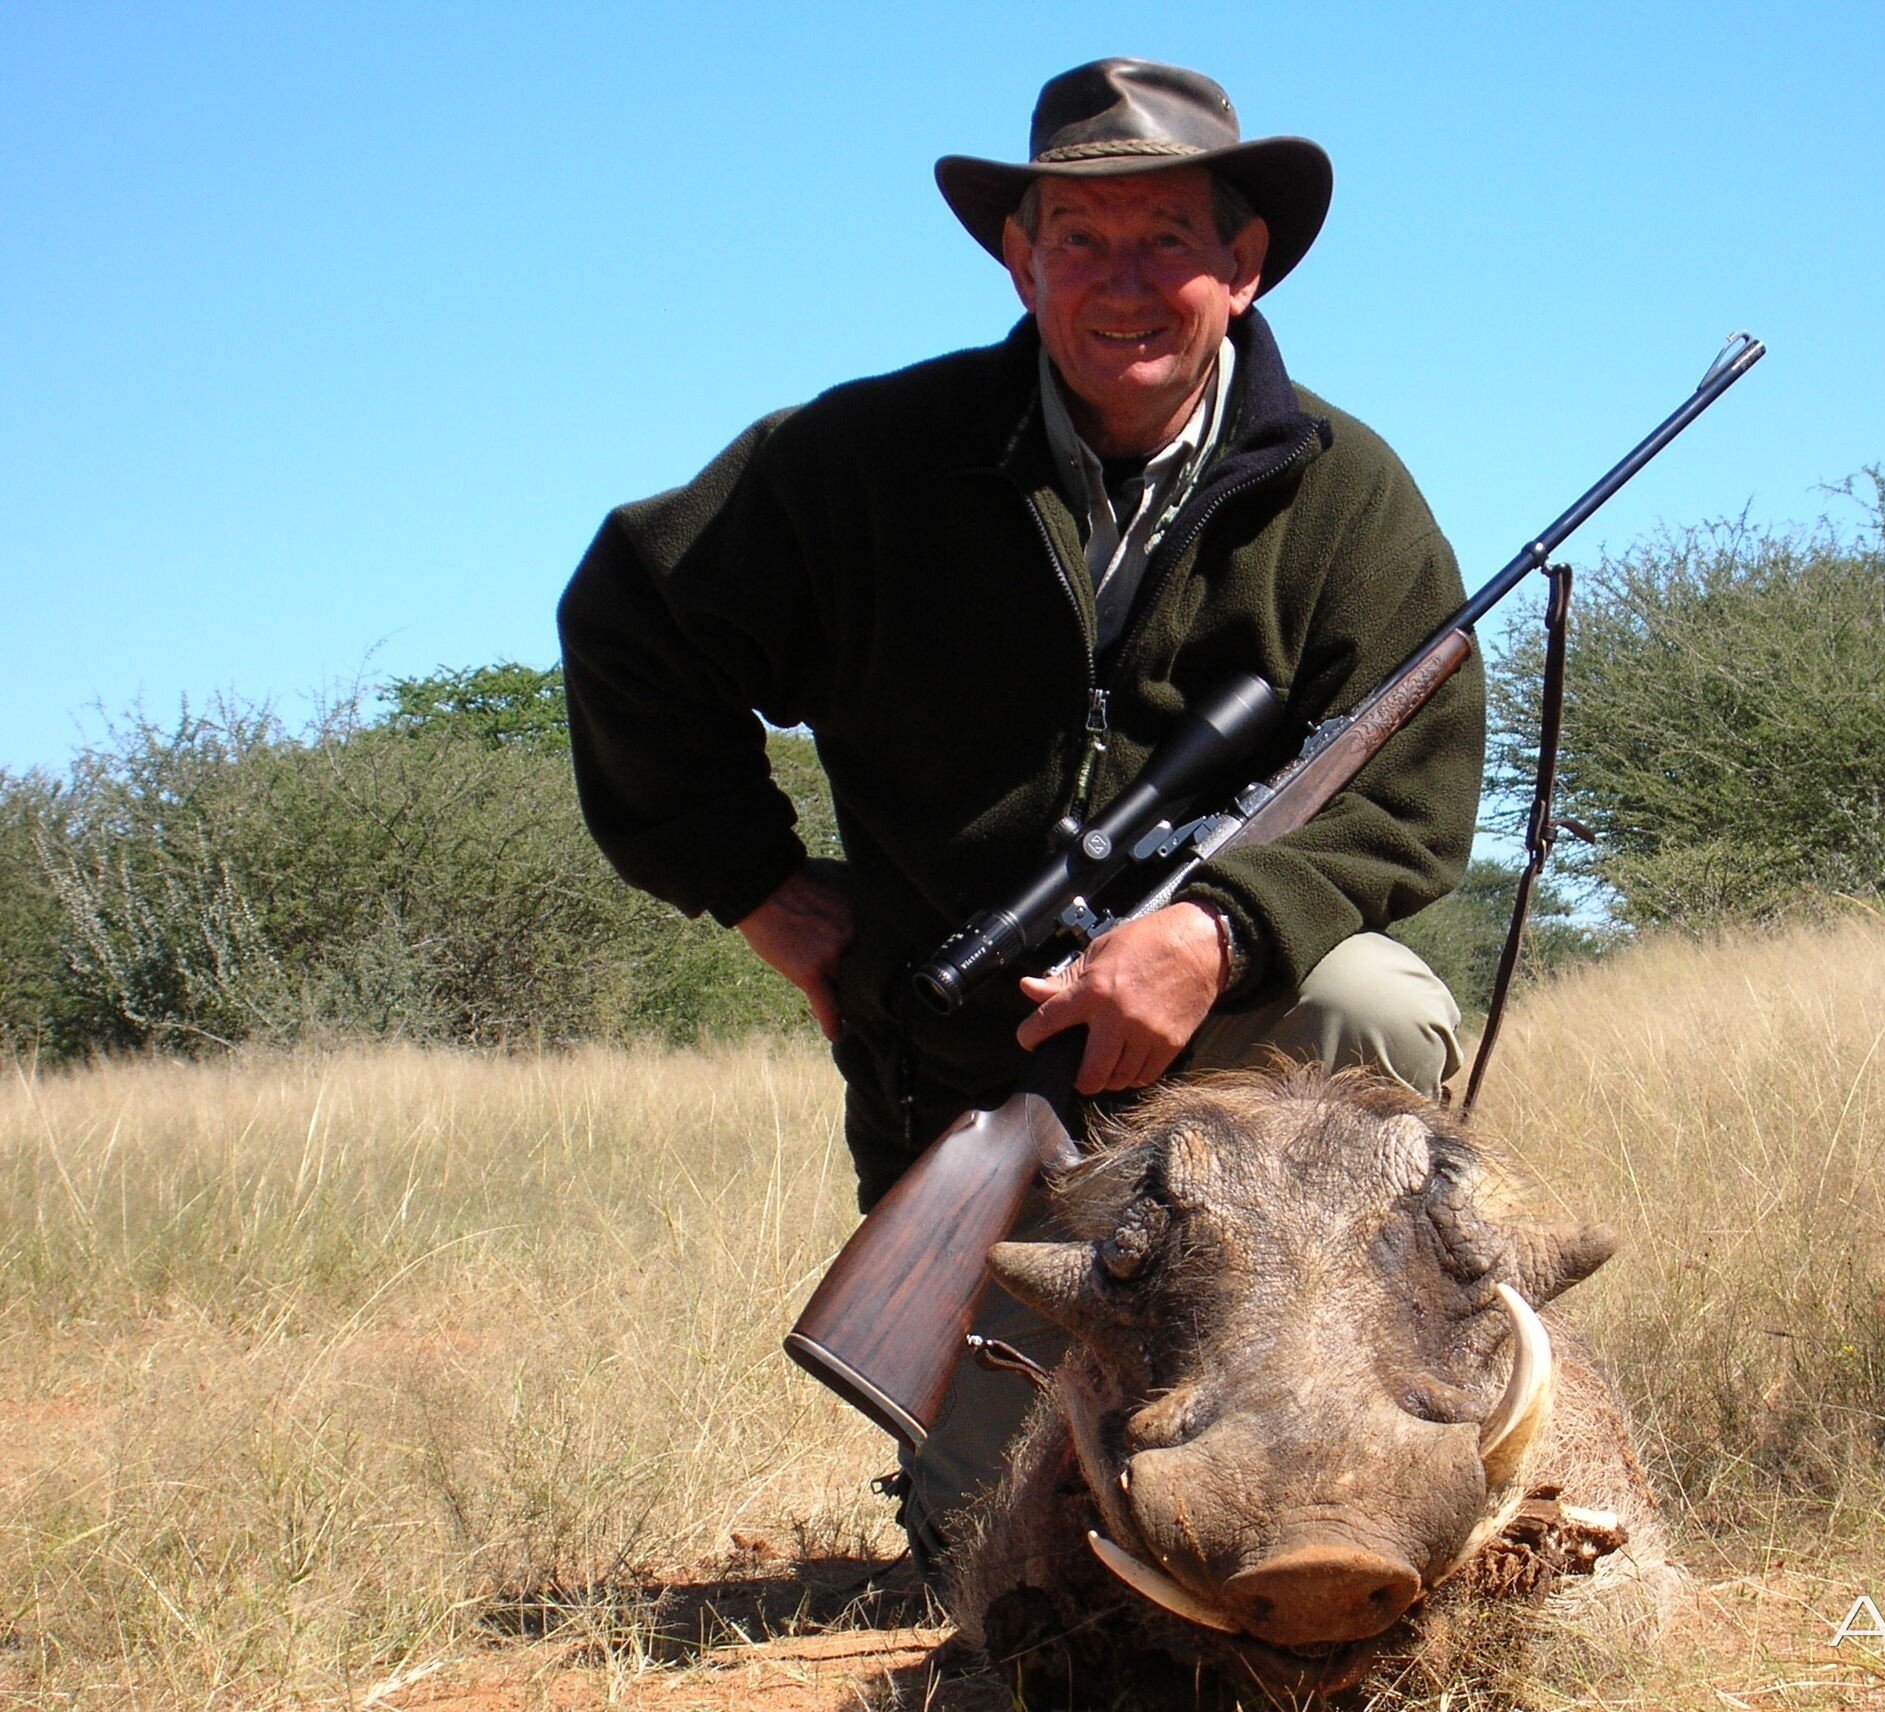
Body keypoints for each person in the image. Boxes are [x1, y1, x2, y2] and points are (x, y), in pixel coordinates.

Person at [557, 57, 1485, 1564]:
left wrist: (1217, 931)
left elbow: (1415, 786)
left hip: (1236, 1064)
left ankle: (1346, 1412)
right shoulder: (857, 462)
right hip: (968, 1075)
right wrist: (758, 889)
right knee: (1005, 1560)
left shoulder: (1346, 493)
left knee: (1373, 1001)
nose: (1125, 284)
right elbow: (628, 623)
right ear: (1018, 255)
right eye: (1081, 240)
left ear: (1243, 266)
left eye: (1169, 239)